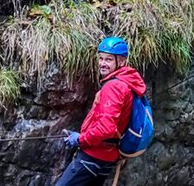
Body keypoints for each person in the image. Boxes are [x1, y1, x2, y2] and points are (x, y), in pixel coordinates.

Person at [56, 37, 147, 186]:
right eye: (101, 58)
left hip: (93, 156)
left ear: (122, 61)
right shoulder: (128, 84)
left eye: (109, 59)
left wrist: (80, 139)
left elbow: (106, 128)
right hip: (108, 157)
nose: (103, 64)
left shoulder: (114, 87)